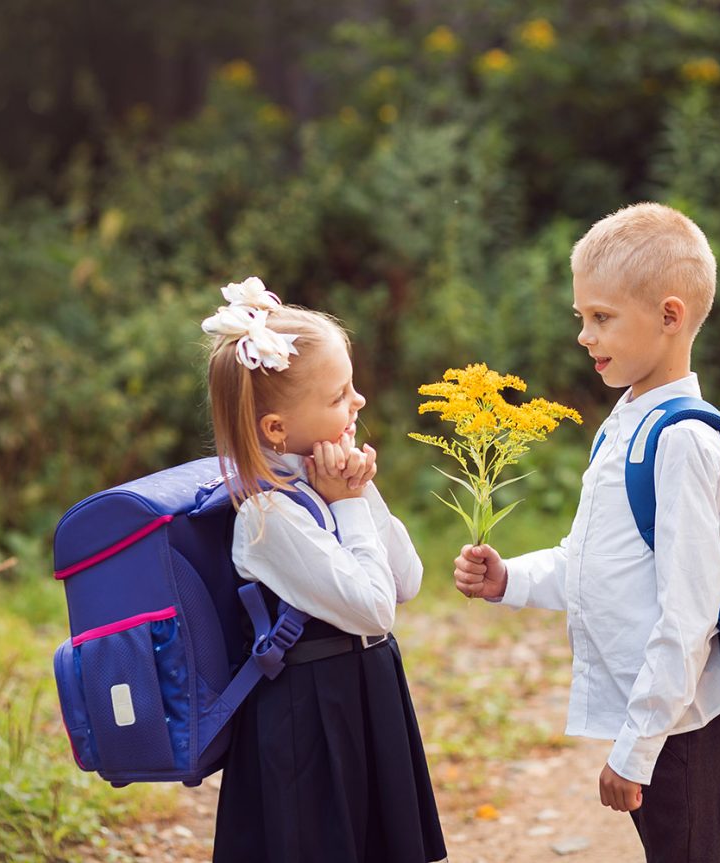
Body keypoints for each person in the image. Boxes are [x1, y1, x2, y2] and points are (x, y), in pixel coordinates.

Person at [454, 203, 720, 863]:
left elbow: (690, 614)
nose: (585, 335)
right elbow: (590, 562)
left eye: (602, 317)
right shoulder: (624, 424)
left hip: (679, 722)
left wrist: (638, 748)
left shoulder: (685, 442)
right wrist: (509, 579)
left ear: (670, 316)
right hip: (656, 716)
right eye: (582, 317)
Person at [202, 278, 447, 863]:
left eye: (353, 387)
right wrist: (346, 503)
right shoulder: (268, 516)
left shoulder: (322, 487)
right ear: (276, 430)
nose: (357, 401)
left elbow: (406, 581)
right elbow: (373, 607)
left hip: (363, 694)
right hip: (308, 718)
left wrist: (358, 493)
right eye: (339, 396)